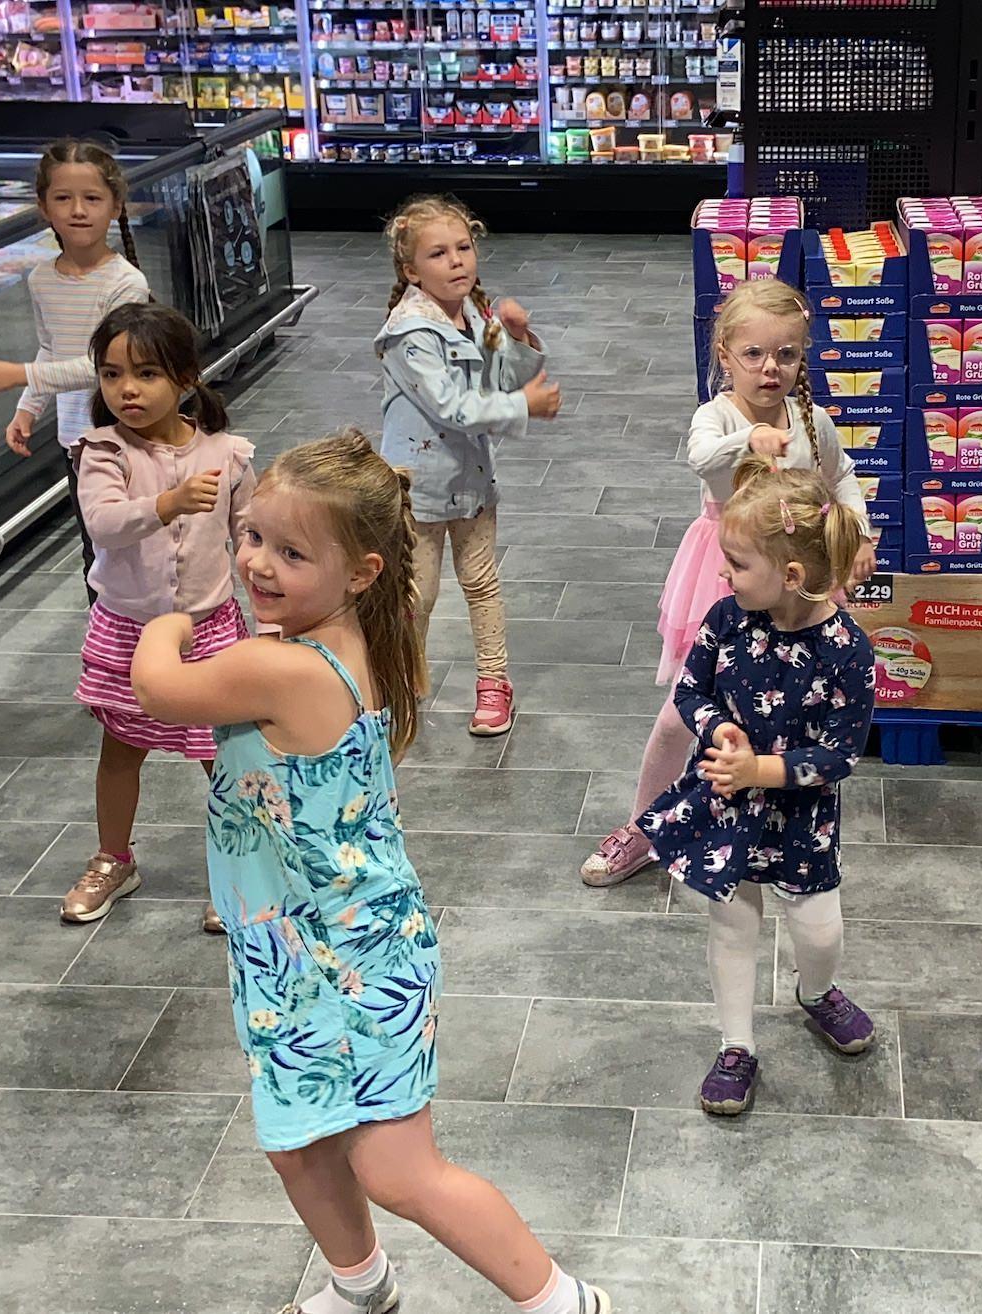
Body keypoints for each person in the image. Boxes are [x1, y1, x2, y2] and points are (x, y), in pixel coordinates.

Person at [132, 430, 611, 1314]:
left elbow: (159, 689)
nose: (257, 565)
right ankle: (362, 1288)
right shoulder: (345, 637)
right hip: (298, 952)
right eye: (250, 537)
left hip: (349, 963)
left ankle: (563, 1302)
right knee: (297, 1142)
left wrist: (164, 623)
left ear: (361, 571)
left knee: (399, 1171)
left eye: (290, 552)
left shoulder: (280, 668)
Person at [582, 276, 874, 887]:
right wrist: (750, 436)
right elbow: (700, 456)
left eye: (787, 354)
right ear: (725, 356)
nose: (771, 368)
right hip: (725, 581)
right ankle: (642, 828)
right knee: (676, 717)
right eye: (754, 354)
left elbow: (842, 476)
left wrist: (859, 534)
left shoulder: (812, 421)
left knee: (779, 713)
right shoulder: (715, 415)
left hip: (794, 587)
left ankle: (763, 825)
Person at [640, 461, 877, 1116]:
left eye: (738, 564)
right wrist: (718, 729)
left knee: (819, 929)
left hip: (804, 819)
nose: (724, 575)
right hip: (728, 807)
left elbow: (840, 753)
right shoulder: (726, 619)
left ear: (791, 576)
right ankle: (736, 1044)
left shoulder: (847, 651)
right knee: (733, 923)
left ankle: (815, 991)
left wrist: (762, 770)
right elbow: (691, 691)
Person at [64, 302, 252, 936]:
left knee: (224, 757)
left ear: (187, 377)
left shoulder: (227, 453)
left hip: (209, 632)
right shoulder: (102, 451)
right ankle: (114, 858)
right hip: (127, 630)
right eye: (112, 375)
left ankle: (243, 872)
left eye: (145, 374)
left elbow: (249, 538)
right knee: (122, 748)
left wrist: (278, 618)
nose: (126, 390)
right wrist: (167, 503)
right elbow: (104, 524)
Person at [376, 193, 561, 738]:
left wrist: (520, 338)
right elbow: (452, 407)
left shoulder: (476, 314)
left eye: (463, 247)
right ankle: (401, 679)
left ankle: (493, 681)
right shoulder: (409, 336)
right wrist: (524, 406)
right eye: (438, 254)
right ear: (411, 269)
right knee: (418, 593)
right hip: (420, 489)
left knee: (481, 583)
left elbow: (500, 376)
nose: (456, 260)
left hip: (473, 482)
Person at [0, 138, 151, 591]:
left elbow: (107, 367)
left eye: (92, 198)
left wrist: (21, 375)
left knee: (137, 548)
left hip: (125, 435)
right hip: (76, 441)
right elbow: (50, 347)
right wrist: (29, 408)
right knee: (94, 549)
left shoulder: (126, 284)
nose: (78, 210)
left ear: (116, 206)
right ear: (44, 207)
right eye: (63, 198)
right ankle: (108, 646)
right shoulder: (42, 279)